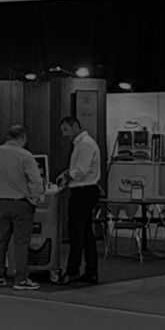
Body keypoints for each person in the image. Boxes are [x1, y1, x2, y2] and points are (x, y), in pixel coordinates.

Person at [0, 124, 45, 290]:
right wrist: (35, 198)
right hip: (21, 204)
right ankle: (20, 279)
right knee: (21, 243)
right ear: (23, 138)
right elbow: (36, 181)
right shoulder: (25, 155)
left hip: (1, 203)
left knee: (0, 242)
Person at [56, 114, 102, 286]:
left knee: (76, 233)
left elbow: (81, 170)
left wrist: (66, 177)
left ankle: (72, 271)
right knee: (86, 233)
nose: (64, 134)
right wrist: (66, 174)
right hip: (84, 191)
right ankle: (91, 271)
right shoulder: (82, 144)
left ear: (75, 126)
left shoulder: (85, 144)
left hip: (83, 192)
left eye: (66, 130)